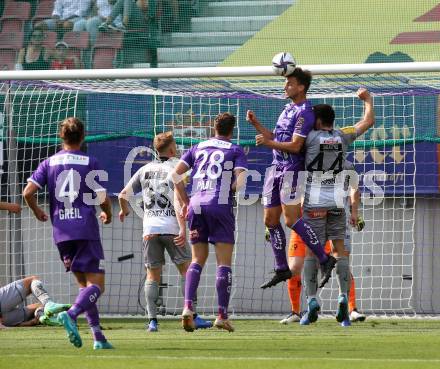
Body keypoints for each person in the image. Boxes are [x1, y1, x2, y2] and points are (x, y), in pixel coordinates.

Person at [23, 117, 114, 350]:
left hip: (62, 232)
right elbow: (101, 196)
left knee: (85, 287)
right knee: (97, 286)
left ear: (61, 137)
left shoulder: (48, 163)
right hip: (85, 228)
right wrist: (108, 213)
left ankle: (98, 338)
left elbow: (27, 192)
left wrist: (36, 211)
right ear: (83, 136)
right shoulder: (90, 161)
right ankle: (71, 314)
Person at [246, 68, 337, 290]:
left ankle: (325, 259)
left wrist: (268, 143)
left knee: (292, 220)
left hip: (292, 170)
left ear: (301, 87)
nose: (285, 86)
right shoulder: (287, 109)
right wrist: (257, 125)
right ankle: (281, 268)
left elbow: (296, 146)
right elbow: (276, 137)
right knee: (270, 220)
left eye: (289, 83)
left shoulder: (305, 112)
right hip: (275, 168)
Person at [118, 131, 212, 332]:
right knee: (187, 270)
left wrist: (124, 210)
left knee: (153, 275)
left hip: (150, 229)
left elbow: (123, 195)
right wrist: (184, 226)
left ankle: (152, 321)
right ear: (171, 149)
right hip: (173, 227)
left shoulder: (144, 169)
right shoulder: (178, 167)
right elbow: (181, 199)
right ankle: (192, 314)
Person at [300, 88, 375, 325]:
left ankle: (312, 300)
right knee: (340, 250)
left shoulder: (309, 138)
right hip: (337, 202)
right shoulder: (343, 135)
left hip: (313, 202)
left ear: (318, 121)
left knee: (312, 251)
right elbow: (368, 121)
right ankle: (343, 297)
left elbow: (288, 143)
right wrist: (368, 100)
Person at [172, 112, 248, 332]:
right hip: (219, 204)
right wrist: (231, 189)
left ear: (213, 128)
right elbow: (241, 179)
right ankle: (222, 315)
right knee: (223, 263)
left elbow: (175, 176)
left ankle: (187, 308)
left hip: (196, 204)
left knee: (197, 259)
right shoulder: (234, 149)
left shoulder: (198, 147)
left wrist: (186, 200)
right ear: (231, 130)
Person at [0, 276, 70, 327]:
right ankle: (48, 303)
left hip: (5, 321)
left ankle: (41, 316)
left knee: (40, 306)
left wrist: (31, 323)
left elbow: (15, 325)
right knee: (32, 280)